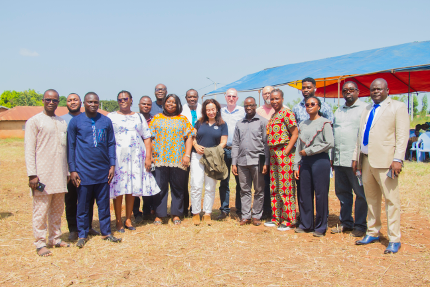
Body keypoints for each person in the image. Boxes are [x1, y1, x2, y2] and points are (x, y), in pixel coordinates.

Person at [353, 78, 409, 254]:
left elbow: (402, 136)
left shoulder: (397, 107)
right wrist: (356, 157)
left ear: (387, 90)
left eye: (379, 89)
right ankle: (373, 231)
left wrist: (398, 159)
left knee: (391, 200)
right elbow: (360, 135)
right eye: (372, 89)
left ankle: (394, 238)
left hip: (387, 161)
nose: (375, 91)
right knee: (371, 198)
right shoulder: (367, 109)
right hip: (367, 160)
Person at [68, 92, 122, 248]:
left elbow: (111, 143)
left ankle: (106, 232)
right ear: (84, 103)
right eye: (90, 102)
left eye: (96, 102)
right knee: (83, 205)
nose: (93, 104)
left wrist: (112, 165)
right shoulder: (75, 122)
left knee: (104, 204)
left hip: (103, 170)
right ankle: (82, 234)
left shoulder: (105, 121)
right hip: (83, 171)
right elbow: (71, 146)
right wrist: (73, 169)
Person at [25, 89, 70, 257]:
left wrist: (66, 171)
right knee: (41, 210)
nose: (51, 102)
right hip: (42, 174)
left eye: (55, 100)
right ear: (43, 100)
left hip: (60, 173)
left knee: (57, 209)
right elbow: (29, 150)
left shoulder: (62, 122)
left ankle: (55, 238)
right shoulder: (34, 121)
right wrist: (32, 174)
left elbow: (65, 149)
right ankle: (40, 242)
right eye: (48, 99)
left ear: (58, 102)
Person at [108, 91, 160, 232]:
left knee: (131, 189)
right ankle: (118, 221)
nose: (123, 101)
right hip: (118, 158)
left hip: (136, 158)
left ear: (131, 100)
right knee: (119, 189)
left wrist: (148, 157)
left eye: (126, 99)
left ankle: (128, 219)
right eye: (120, 99)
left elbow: (147, 137)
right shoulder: (111, 117)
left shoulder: (138, 117)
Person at [149, 94, 195, 225]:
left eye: (174, 102)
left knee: (178, 187)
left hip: (178, 159)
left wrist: (187, 155)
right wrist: (151, 155)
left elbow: (189, 137)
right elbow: (150, 137)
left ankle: (176, 214)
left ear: (178, 104)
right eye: (168, 101)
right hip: (160, 159)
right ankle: (159, 214)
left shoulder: (183, 119)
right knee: (160, 187)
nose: (171, 104)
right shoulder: (156, 119)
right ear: (164, 103)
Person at [61, 93, 100, 241]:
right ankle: (73, 228)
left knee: (88, 198)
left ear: (81, 102)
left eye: (75, 100)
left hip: (87, 166)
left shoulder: (88, 118)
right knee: (71, 198)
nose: (72, 102)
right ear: (66, 103)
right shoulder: (63, 120)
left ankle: (87, 226)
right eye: (69, 100)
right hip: (70, 166)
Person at [331, 82, 368, 237]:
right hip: (339, 159)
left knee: (360, 193)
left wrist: (358, 157)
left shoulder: (365, 109)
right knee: (342, 193)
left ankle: (360, 225)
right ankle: (346, 222)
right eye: (345, 90)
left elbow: (365, 135)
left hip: (355, 161)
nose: (348, 92)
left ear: (358, 92)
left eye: (351, 90)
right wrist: (332, 157)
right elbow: (334, 134)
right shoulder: (338, 110)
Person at [294, 96, 334, 237]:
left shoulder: (325, 123)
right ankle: (306, 224)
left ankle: (321, 226)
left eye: (312, 104)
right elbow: (299, 145)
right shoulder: (303, 124)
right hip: (305, 161)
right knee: (304, 194)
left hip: (320, 161)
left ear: (318, 106)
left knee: (320, 194)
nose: (309, 106)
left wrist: (309, 151)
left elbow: (329, 143)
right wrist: (295, 165)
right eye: (307, 104)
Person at [264, 89, 299, 231]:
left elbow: (295, 133)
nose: (274, 101)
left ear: (282, 99)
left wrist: (286, 151)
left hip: (284, 153)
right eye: (272, 99)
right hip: (273, 154)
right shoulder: (273, 115)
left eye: (277, 99)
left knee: (286, 187)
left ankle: (289, 219)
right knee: (275, 186)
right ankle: (276, 217)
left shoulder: (287, 113)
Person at [232, 97, 269, 226]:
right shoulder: (239, 123)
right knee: (244, 190)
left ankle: (256, 215)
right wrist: (234, 162)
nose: (248, 108)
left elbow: (266, 144)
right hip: (242, 161)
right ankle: (246, 216)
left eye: (251, 105)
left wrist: (266, 163)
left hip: (258, 160)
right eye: (246, 106)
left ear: (255, 106)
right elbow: (235, 143)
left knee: (259, 190)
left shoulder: (263, 122)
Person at [190, 99, 228, 225]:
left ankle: (207, 213)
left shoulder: (223, 124)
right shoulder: (199, 123)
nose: (211, 112)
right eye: (208, 110)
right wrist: (195, 145)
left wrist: (211, 151)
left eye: (213, 109)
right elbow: (192, 137)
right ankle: (195, 212)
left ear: (217, 109)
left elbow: (223, 142)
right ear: (205, 111)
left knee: (210, 186)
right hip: (197, 157)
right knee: (196, 185)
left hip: (213, 158)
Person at [256, 85, 288, 219]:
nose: (268, 96)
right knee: (266, 182)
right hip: (264, 151)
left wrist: (286, 152)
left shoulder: (285, 111)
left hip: (281, 153)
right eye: (265, 94)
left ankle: (284, 214)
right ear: (262, 96)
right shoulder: (258, 111)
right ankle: (268, 211)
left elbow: (293, 133)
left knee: (282, 183)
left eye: (271, 94)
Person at [218, 88, 245, 220]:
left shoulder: (242, 112)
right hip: (223, 149)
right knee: (224, 181)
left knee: (240, 181)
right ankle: (224, 209)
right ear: (225, 97)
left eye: (234, 96)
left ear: (237, 98)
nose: (231, 98)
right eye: (229, 96)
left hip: (238, 150)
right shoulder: (220, 112)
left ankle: (240, 209)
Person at [133, 95, 155, 223]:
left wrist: (150, 156)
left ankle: (148, 211)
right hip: (135, 156)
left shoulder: (155, 120)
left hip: (150, 156)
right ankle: (136, 213)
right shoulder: (134, 118)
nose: (146, 106)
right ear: (139, 105)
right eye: (143, 104)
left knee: (148, 183)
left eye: (148, 104)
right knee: (135, 184)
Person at [181, 89, 202, 216]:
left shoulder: (203, 109)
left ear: (198, 97)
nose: (192, 99)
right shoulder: (181, 111)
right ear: (186, 98)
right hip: (184, 150)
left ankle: (195, 208)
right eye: (189, 97)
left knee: (196, 181)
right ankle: (183, 208)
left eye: (194, 97)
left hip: (200, 149)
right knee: (182, 181)